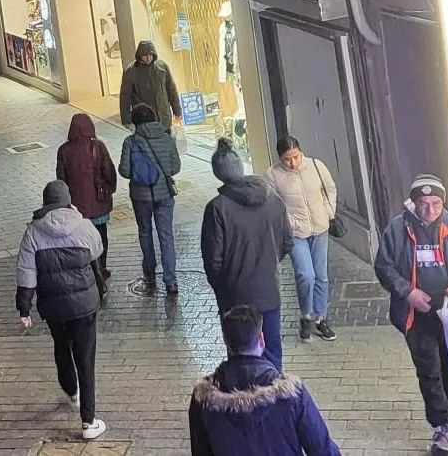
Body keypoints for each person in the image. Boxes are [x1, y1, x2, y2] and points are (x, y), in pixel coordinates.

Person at [374, 174, 448, 452]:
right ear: (414, 202)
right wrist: (408, 292)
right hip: (415, 316)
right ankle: (440, 428)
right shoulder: (397, 229)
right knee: (429, 370)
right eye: (423, 204)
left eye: (435, 204)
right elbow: (383, 267)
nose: (430, 211)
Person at [16, 180, 108, 441]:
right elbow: (97, 250)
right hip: (84, 305)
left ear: (45, 203)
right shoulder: (83, 225)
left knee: (61, 346)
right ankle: (88, 422)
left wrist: (24, 307)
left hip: (53, 306)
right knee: (86, 358)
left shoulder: (33, 232)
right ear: (68, 200)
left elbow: (26, 273)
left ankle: (72, 391)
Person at [188, 304, 341, 456]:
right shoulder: (290, 393)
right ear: (261, 339)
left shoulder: (203, 398)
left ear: (226, 342)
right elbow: (323, 450)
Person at [202, 139, 293, 371]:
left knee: (241, 357)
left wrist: (223, 287)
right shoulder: (273, 199)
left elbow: (213, 261)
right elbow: (287, 243)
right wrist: (267, 264)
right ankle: (275, 399)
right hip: (269, 291)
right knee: (272, 354)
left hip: (235, 298)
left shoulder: (216, 208)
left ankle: (247, 402)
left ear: (217, 174)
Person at [265, 135, 339, 342]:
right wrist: (286, 223)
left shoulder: (315, 166)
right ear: (280, 158)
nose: (293, 163)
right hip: (295, 233)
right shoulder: (272, 175)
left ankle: (320, 318)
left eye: (296, 157)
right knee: (306, 275)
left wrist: (328, 211)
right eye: (287, 159)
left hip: (320, 227)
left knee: (321, 276)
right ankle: (306, 315)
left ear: (300, 151)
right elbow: (271, 204)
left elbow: (330, 188)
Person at [117, 102, 181, 294]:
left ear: (136, 122)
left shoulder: (131, 142)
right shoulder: (167, 138)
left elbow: (125, 171)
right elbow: (175, 167)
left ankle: (150, 274)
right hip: (164, 194)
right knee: (166, 236)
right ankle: (170, 280)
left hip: (140, 196)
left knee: (145, 232)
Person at [56, 113, 117, 279]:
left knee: (81, 239)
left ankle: (89, 269)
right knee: (100, 235)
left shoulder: (63, 151)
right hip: (99, 201)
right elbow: (109, 172)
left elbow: (61, 180)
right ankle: (102, 268)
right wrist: (109, 189)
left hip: (77, 207)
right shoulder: (98, 146)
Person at [119, 40, 181, 128]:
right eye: (145, 55)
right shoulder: (131, 72)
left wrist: (177, 112)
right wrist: (126, 120)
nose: (148, 58)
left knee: (165, 139)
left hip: (164, 118)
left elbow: (171, 90)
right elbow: (125, 97)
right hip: (144, 120)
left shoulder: (162, 68)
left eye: (151, 55)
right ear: (140, 56)